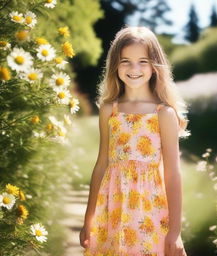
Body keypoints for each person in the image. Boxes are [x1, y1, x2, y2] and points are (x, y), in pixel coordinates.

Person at [79, 25, 190, 256]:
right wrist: (88, 219)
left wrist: (175, 231)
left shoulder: (163, 113)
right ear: (115, 65)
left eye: (142, 61)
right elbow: (101, 165)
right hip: (113, 209)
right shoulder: (109, 110)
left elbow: (173, 174)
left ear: (154, 65)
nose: (134, 68)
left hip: (149, 210)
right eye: (125, 61)